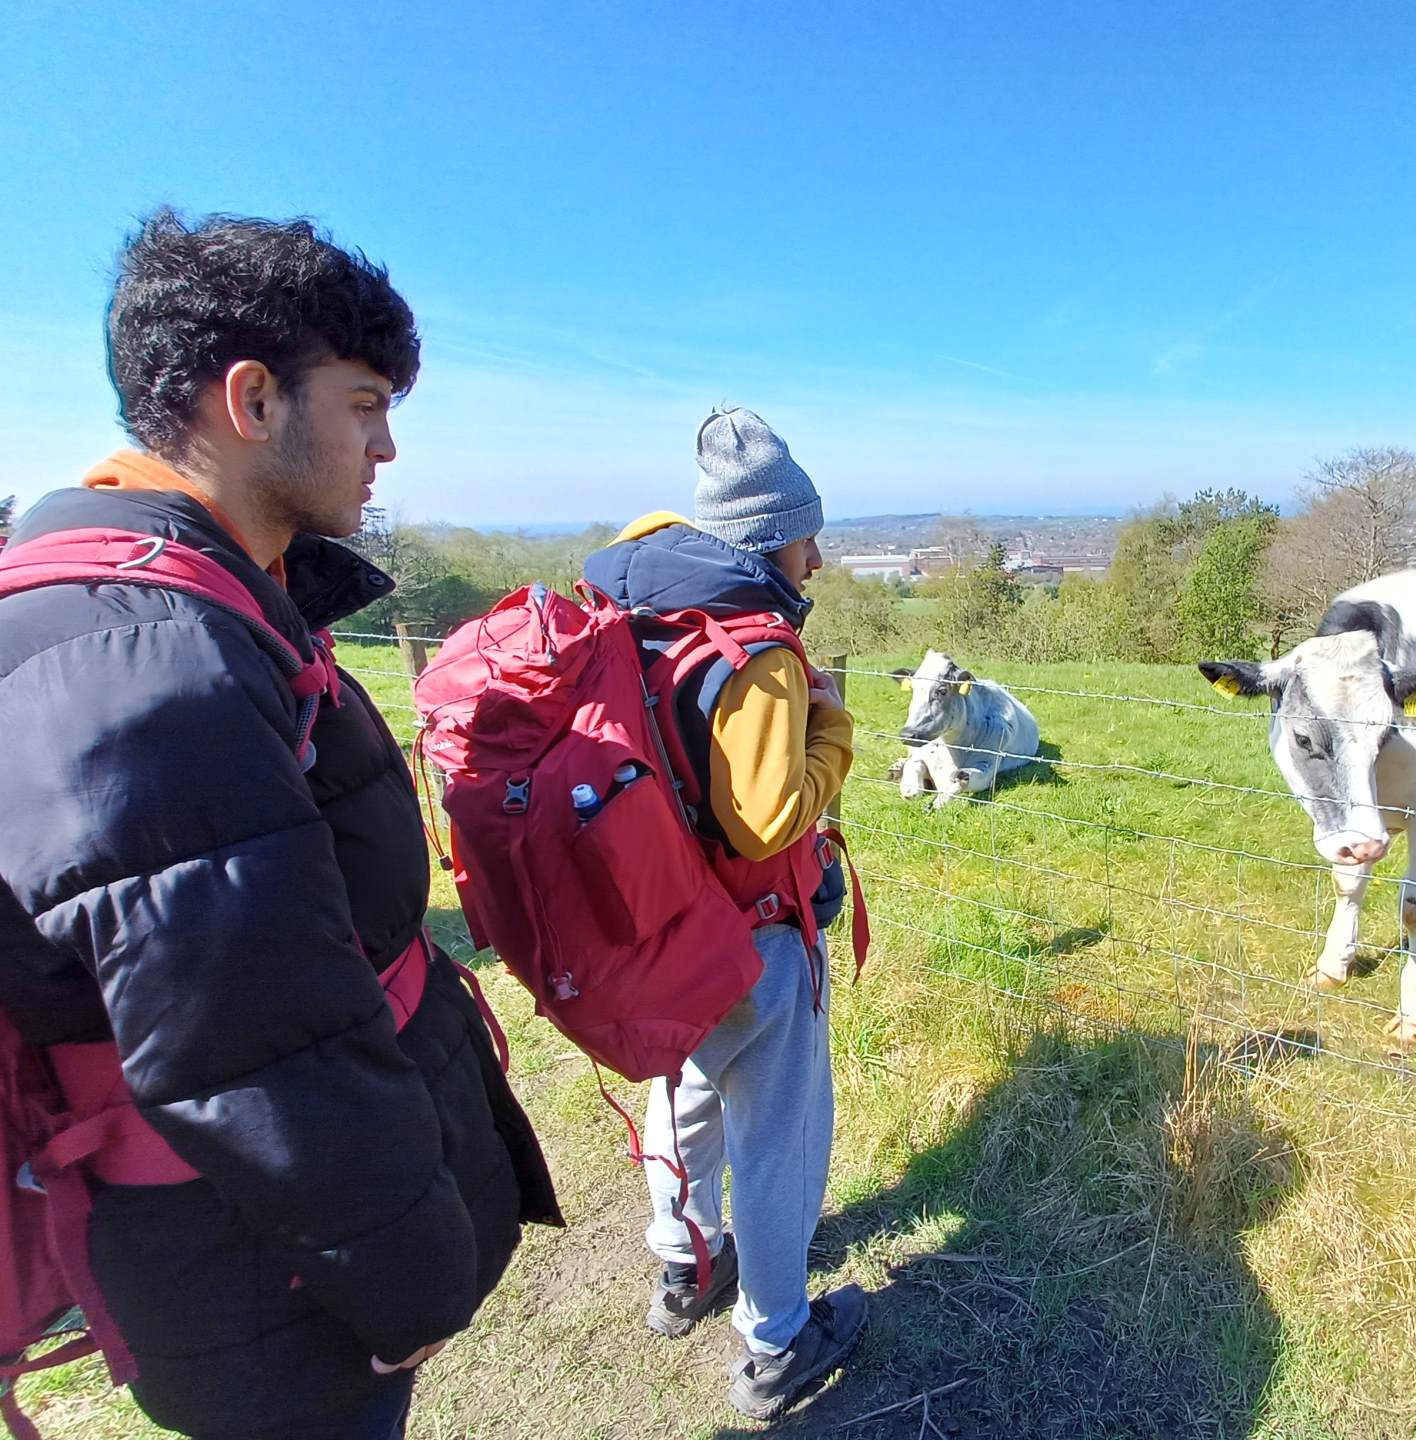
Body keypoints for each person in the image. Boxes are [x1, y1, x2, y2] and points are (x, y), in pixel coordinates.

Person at [0, 209, 560, 1439]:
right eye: (364, 404)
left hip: (262, 1257)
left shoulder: (193, 603)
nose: (388, 444)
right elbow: (254, 1045)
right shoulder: (147, 663)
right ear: (252, 400)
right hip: (273, 1290)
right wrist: (407, 1282)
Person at [583, 407, 865, 1420]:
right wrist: (832, 732)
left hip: (655, 916)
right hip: (751, 933)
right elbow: (766, 821)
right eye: (805, 538)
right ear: (768, 538)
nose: (815, 560)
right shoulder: (760, 648)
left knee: (687, 1091)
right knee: (777, 1137)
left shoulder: (638, 609)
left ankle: (684, 1264)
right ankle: (778, 1341)